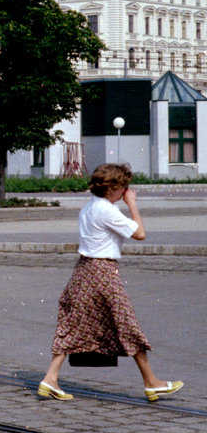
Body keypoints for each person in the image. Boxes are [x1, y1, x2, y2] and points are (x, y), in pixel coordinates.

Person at [38, 163, 183, 402]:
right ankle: (152, 383)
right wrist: (132, 204)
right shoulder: (107, 210)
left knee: (73, 323)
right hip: (102, 271)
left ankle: (50, 379)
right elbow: (140, 233)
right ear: (112, 188)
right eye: (124, 186)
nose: (126, 190)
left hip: (83, 269)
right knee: (127, 323)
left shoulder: (89, 208)